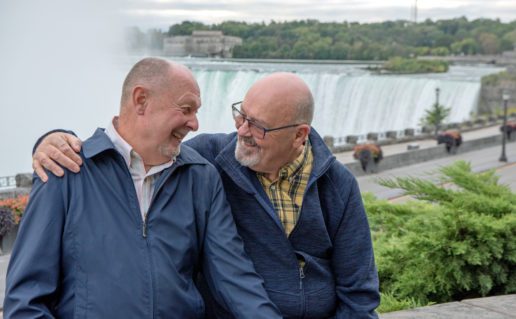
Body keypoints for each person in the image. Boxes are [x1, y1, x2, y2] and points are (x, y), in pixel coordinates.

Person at [32, 72, 380, 318]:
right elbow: (137, 143)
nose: (241, 131)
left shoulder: (337, 184)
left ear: (299, 135)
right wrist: (54, 139)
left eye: (257, 126)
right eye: (241, 115)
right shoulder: (209, 161)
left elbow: (358, 292)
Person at [5, 57, 282, 318]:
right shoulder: (65, 171)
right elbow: (26, 300)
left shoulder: (201, 178)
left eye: (196, 112)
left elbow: (236, 279)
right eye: (186, 109)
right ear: (141, 100)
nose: (195, 124)